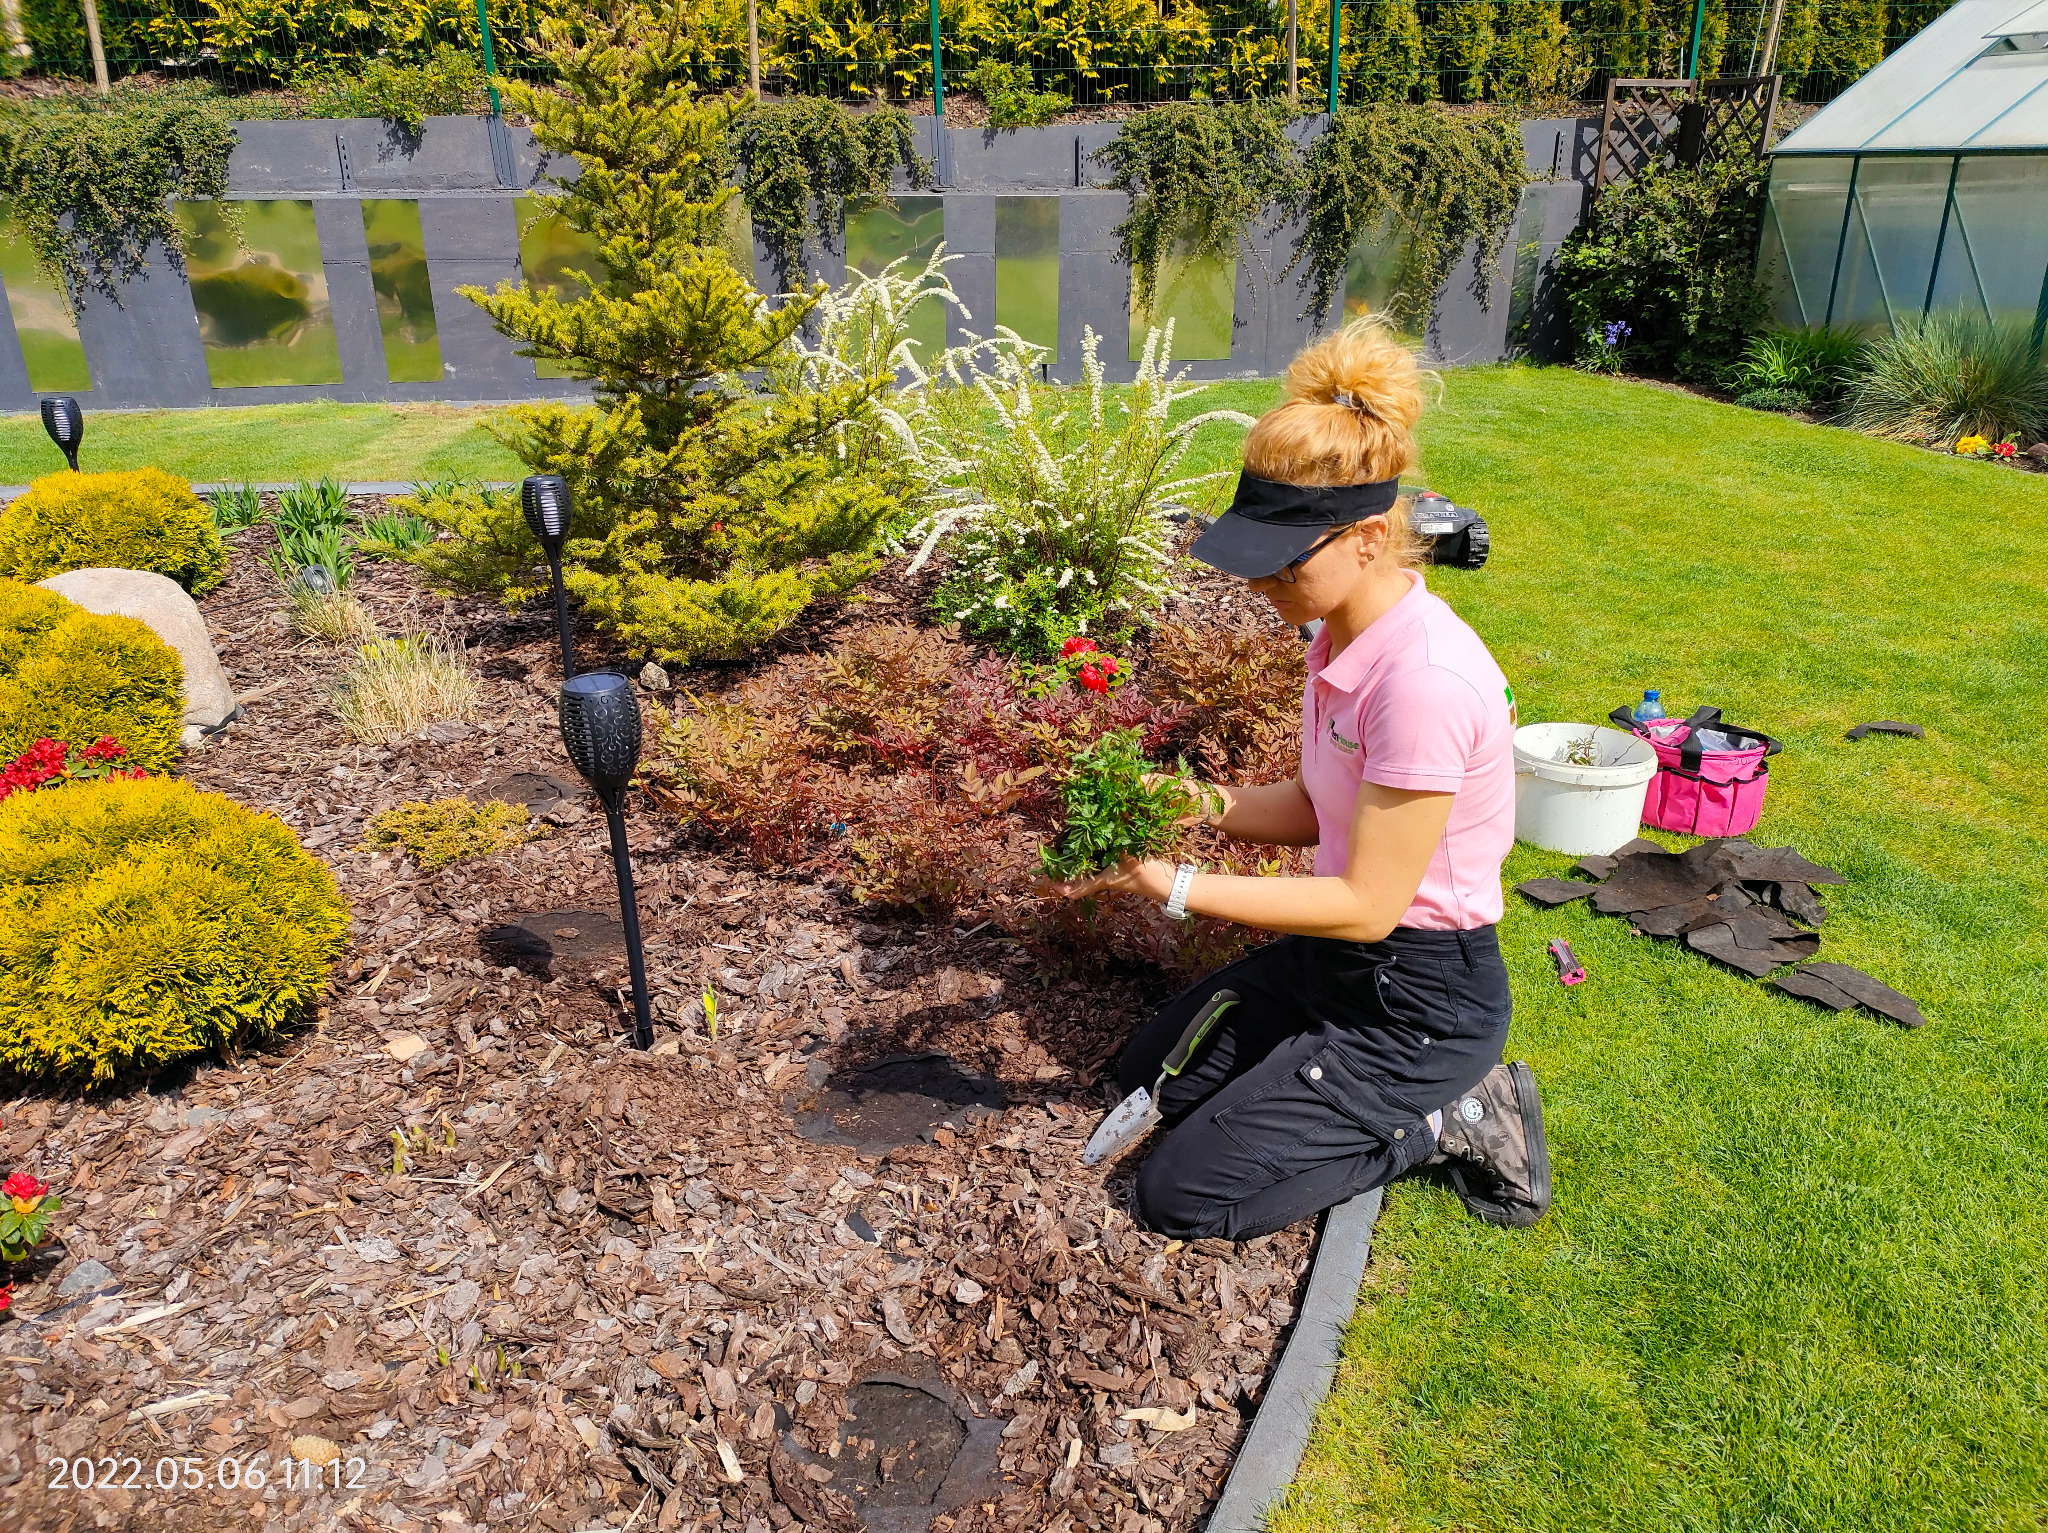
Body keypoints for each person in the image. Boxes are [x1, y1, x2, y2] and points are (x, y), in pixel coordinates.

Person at [1051, 318, 1550, 1240]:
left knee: (1180, 1195)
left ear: (1368, 537)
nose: (1261, 583)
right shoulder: (1342, 637)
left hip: (1419, 1001)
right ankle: (1309, 1074)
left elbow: (1367, 903)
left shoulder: (1425, 681)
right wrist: (1187, 801)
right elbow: (1318, 808)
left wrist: (1174, 885)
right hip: (1337, 962)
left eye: (1284, 561)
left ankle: (1447, 1118)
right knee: (1146, 1073)